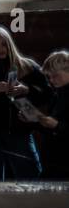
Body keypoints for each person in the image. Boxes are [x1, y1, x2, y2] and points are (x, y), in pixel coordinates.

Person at [0, 26, 51, 179]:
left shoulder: (28, 67)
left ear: (10, 44)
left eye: (4, 44)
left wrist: (27, 90)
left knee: (31, 174)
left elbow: (49, 93)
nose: (0, 49)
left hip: (19, 131)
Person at [35, 50, 69, 179]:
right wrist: (36, 120)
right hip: (53, 161)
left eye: (55, 75)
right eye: (49, 76)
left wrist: (57, 125)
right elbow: (51, 129)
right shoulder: (58, 94)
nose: (51, 80)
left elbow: (59, 127)